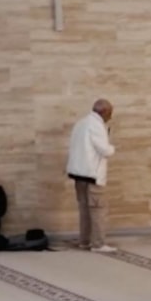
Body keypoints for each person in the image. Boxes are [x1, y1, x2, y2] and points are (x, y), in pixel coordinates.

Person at [66, 98, 117, 253]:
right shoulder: (96, 125)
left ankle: (85, 241)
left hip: (78, 174)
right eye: (110, 113)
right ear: (104, 112)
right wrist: (112, 147)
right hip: (92, 175)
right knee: (98, 210)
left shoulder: (81, 123)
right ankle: (98, 244)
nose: (111, 117)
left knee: (84, 209)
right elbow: (105, 150)